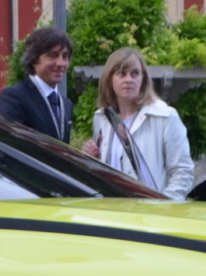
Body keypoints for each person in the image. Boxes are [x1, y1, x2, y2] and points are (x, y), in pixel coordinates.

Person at [80, 46, 194, 197]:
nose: (129, 79)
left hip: (149, 209)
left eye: (135, 73)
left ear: (143, 79)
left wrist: (163, 205)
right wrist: (90, 158)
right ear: (109, 79)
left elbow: (183, 171)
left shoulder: (165, 116)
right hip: (110, 208)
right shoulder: (102, 118)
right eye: (122, 73)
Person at [0, 26, 73, 142]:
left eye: (65, 56)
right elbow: (4, 143)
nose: (61, 63)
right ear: (34, 60)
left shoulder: (66, 104)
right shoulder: (14, 98)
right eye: (52, 56)